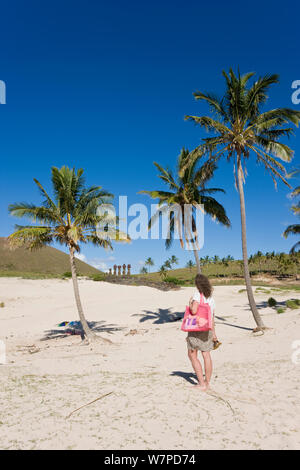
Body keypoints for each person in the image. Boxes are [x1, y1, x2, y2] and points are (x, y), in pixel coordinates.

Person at [187, 274, 218, 391]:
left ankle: (201, 384)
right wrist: (214, 333)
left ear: (197, 284)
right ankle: (207, 382)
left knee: (192, 354)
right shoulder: (211, 298)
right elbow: (212, 317)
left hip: (196, 328)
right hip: (208, 329)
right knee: (206, 355)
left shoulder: (197, 295)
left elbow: (194, 310)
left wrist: (190, 303)